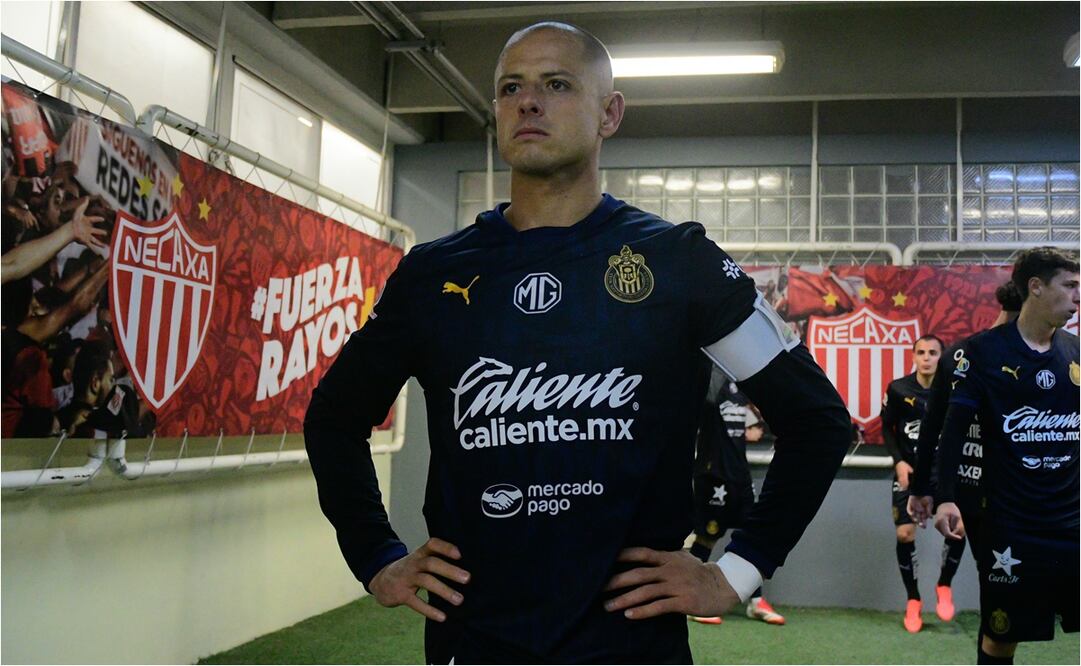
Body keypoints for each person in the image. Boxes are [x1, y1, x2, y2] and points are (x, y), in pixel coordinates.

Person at [304, 21, 850, 663]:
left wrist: (736, 572)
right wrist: (376, 556)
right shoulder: (433, 275)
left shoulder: (680, 265)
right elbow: (334, 420)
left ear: (609, 113)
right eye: (511, 88)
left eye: (556, 84)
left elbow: (817, 421)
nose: (528, 102)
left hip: (629, 645)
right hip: (473, 643)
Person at [931, 247, 1078, 665]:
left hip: (1073, 523)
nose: (1076, 298)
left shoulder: (1076, 353)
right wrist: (944, 496)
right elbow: (951, 432)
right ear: (1035, 286)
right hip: (1011, 527)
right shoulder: (982, 354)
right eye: (1069, 286)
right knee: (1001, 638)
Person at [907, 282, 1025, 630]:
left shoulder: (1048, 356)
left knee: (1020, 590)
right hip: (975, 491)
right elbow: (934, 427)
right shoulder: (964, 356)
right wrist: (924, 489)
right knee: (997, 584)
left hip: (1029, 493)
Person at [687, 370, 784, 626]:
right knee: (708, 536)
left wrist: (752, 429)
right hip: (713, 474)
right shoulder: (710, 385)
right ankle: (690, 596)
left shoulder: (740, 391)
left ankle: (755, 602)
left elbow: (749, 426)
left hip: (740, 474)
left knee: (753, 534)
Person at [880, 334, 949, 632]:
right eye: (921, 352)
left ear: (941, 357)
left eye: (933, 353)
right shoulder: (898, 389)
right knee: (905, 534)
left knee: (957, 529)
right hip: (909, 472)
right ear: (913, 356)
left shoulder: (952, 390)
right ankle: (913, 600)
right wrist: (899, 461)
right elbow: (886, 428)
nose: (927, 358)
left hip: (942, 473)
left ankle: (944, 585)